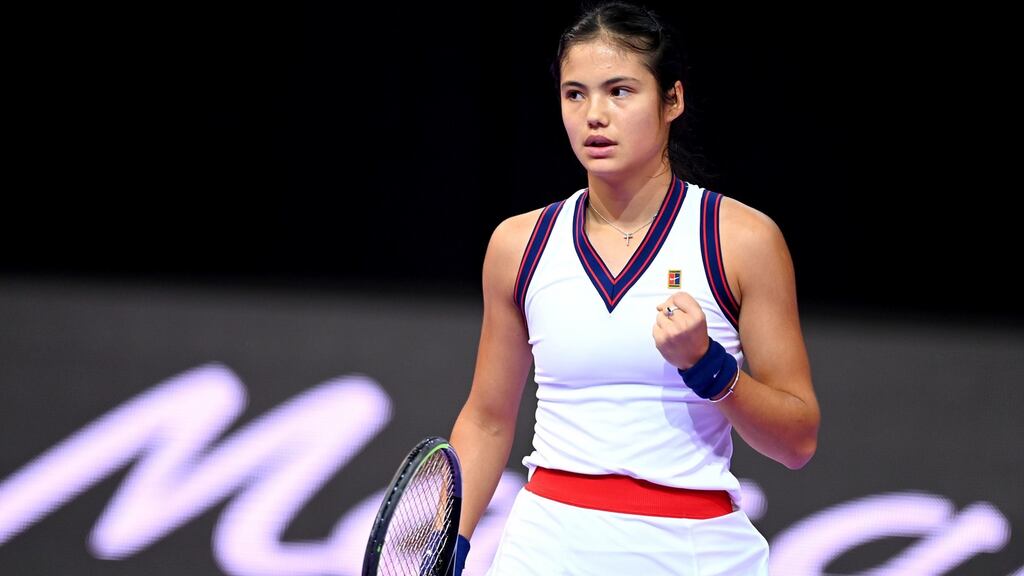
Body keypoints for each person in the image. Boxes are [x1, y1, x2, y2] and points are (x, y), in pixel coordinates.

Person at [447, 2, 820, 574]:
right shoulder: (518, 244)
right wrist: (450, 542)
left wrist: (709, 367)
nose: (594, 115)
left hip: (695, 551)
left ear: (672, 100)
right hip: (544, 549)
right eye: (575, 94)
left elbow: (796, 442)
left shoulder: (742, 241)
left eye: (620, 91)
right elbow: (488, 419)